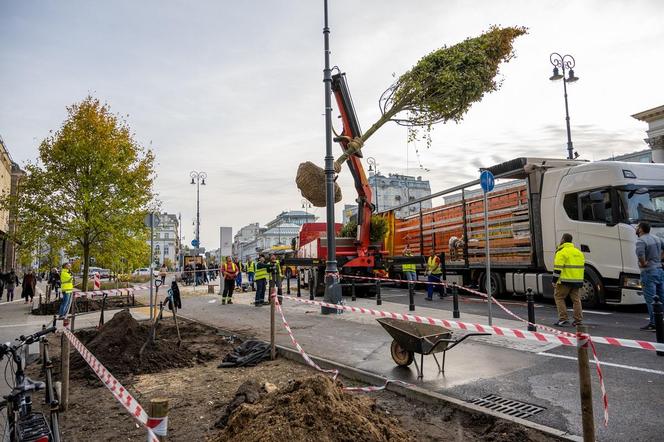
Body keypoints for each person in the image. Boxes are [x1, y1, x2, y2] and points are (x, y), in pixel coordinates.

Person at [635, 222, 664, 331]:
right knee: (660, 298)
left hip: (648, 272)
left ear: (641, 229)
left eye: (637, 227)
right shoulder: (656, 238)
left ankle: (654, 323)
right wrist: (660, 258)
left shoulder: (641, 241)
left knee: (651, 298)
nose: (636, 229)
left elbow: (640, 254)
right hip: (659, 270)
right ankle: (661, 320)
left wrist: (643, 263)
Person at [552, 233, 585, 327]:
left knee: (559, 297)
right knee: (576, 300)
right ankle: (578, 320)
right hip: (577, 280)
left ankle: (563, 318)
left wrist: (554, 281)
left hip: (565, 281)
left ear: (563, 240)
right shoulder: (578, 252)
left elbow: (558, 269)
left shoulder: (561, 252)